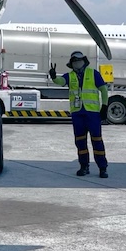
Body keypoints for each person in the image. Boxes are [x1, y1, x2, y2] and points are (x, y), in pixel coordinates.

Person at [49, 50, 109, 178]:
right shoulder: (69, 76)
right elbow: (60, 81)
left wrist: (104, 106)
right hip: (78, 113)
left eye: (79, 60)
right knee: (80, 142)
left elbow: (103, 90)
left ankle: (102, 168)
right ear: (72, 63)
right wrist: (53, 77)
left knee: (97, 140)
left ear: (84, 61)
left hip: (92, 113)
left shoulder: (93, 74)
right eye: (75, 61)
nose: (77, 62)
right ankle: (84, 166)